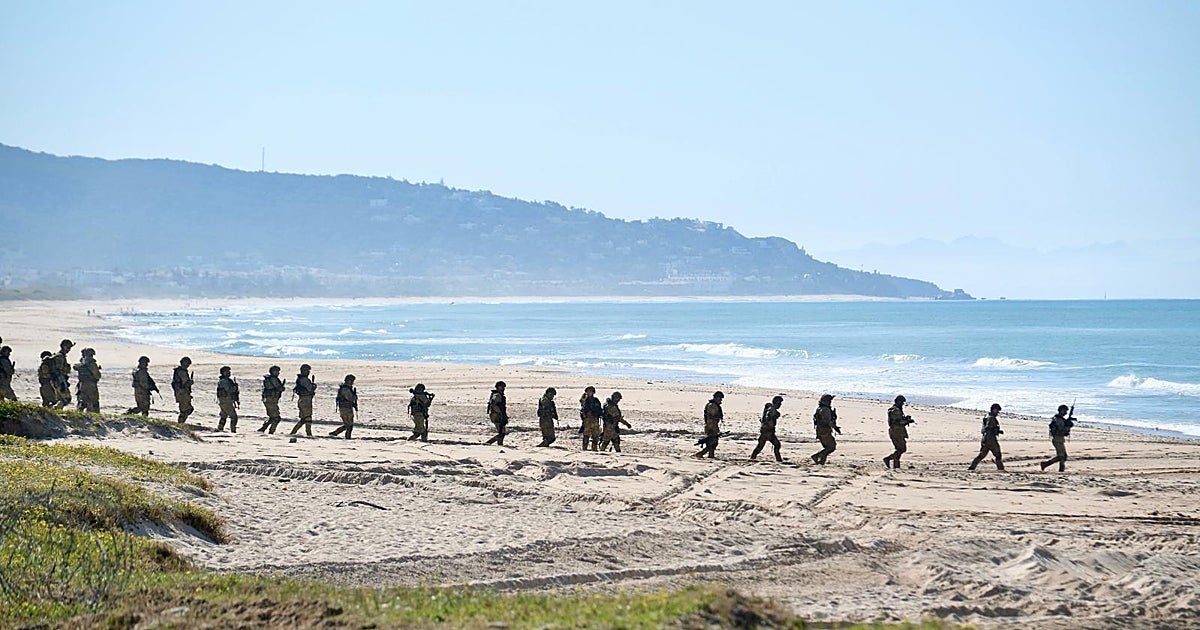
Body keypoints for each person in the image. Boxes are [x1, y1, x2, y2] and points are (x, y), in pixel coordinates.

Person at [969, 403, 1005, 471]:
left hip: (985, 439)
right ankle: (1001, 469)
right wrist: (996, 432)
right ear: (994, 410)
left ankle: (972, 467)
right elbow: (989, 429)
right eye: (997, 411)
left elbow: (987, 428)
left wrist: (998, 431)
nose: (998, 413)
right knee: (998, 455)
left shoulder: (987, 416)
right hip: (991, 440)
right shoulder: (991, 418)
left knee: (981, 455)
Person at [1041, 404, 1075, 472]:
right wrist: (1068, 426)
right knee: (1061, 456)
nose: (1065, 412)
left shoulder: (1060, 419)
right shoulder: (1059, 419)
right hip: (1057, 439)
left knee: (1064, 456)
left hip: (1060, 439)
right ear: (1061, 411)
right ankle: (1045, 464)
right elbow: (1061, 430)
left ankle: (1061, 469)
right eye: (1064, 411)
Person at [883, 395, 915, 469]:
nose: (903, 404)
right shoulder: (896, 410)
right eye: (902, 402)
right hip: (896, 432)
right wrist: (908, 421)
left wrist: (905, 419)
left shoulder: (896, 409)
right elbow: (898, 422)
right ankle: (888, 459)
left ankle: (896, 466)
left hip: (897, 431)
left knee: (899, 449)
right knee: (901, 449)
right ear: (898, 401)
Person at [751, 395, 785, 462]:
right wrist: (772, 417)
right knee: (776, 445)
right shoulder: (771, 410)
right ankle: (778, 459)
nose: (780, 405)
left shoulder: (771, 409)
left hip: (766, 431)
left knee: (761, 446)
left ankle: (753, 457)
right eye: (779, 403)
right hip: (767, 431)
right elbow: (768, 417)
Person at [810, 394, 841, 465]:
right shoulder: (825, 409)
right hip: (824, 431)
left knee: (827, 447)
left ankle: (821, 462)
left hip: (821, 430)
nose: (830, 402)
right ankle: (816, 456)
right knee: (831, 447)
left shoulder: (820, 408)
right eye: (829, 400)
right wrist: (835, 428)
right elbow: (828, 422)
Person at [694, 391, 724, 458]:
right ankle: (700, 454)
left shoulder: (715, 405)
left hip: (713, 426)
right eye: (719, 398)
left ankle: (711, 455)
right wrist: (711, 428)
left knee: (713, 442)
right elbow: (711, 417)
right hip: (711, 426)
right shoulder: (712, 406)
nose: (720, 400)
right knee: (712, 442)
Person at [289, 364, 317, 436]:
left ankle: (293, 432)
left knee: (304, 418)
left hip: (303, 399)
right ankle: (308, 433)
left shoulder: (301, 379)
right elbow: (310, 388)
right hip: (305, 399)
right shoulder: (304, 379)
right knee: (307, 418)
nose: (308, 372)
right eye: (307, 370)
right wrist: (314, 386)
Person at [257, 365, 286, 433]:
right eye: (276, 371)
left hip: (270, 399)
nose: (278, 373)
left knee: (272, 417)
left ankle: (263, 429)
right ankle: (271, 431)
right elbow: (279, 388)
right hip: (271, 400)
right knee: (276, 418)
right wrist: (281, 387)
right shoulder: (273, 379)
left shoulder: (270, 379)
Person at [73, 348, 102, 412]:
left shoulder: (81, 364)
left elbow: (75, 367)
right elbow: (97, 375)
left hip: (81, 384)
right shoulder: (91, 364)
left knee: (82, 400)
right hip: (91, 385)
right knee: (93, 402)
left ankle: (79, 413)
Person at [49, 339, 75, 408]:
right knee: (66, 399)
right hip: (58, 380)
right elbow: (58, 371)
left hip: (58, 380)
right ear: (63, 346)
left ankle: (54, 410)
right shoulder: (60, 356)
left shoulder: (60, 356)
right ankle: (54, 409)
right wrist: (62, 383)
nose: (69, 350)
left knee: (60, 399)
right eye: (68, 347)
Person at [330, 374, 357, 439]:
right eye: (351, 380)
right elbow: (349, 398)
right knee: (349, 425)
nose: (352, 382)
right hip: (345, 408)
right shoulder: (345, 389)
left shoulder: (347, 388)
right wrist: (354, 397)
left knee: (348, 425)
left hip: (346, 408)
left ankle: (336, 433)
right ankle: (346, 437)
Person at [484, 381, 509, 446]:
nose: (503, 388)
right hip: (496, 415)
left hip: (498, 415)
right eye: (501, 387)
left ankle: (499, 444)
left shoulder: (500, 395)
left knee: (502, 431)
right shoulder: (497, 395)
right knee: (501, 432)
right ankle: (488, 443)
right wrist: (499, 412)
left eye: (503, 387)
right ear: (498, 387)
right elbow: (493, 404)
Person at [216, 366, 240, 432]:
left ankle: (220, 428)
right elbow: (229, 390)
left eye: (229, 372)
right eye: (226, 372)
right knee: (234, 417)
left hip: (225, 401)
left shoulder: (227, 380)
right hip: (226, 401)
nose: (229, 373)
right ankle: (233, 430)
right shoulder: (224, 381)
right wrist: (235, 387)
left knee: (224, 416)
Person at [171, 357, 195, 423]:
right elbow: (185, 383)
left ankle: (181, 423)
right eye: (187, 363)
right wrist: (190, 382)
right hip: (183, 393)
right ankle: (180, 423)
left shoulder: (180, 371)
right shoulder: (181, 372)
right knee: (185, 410)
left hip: (182, 393)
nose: (188, 365)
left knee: (186, 409)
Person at [579, 386, 603, 451]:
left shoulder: (596, 400)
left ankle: (594, 449)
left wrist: (600, 414)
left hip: (595, 420)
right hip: (587, 421)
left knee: (595, 437)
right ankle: (584, 449)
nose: (589, 393)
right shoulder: (585, 400)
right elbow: (582, 409)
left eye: (591, 391)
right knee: (586, 436)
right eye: (588, 391)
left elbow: (600, 409)